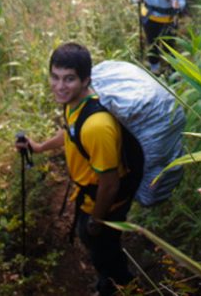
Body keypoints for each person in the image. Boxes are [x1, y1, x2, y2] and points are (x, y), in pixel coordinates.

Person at [16, 43, 136, 296]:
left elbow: (110, 183)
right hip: (90, 198)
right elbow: (70, 132)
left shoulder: (97, 126)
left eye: (69, 79)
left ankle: (119, 287)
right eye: (55, 77)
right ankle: (111, 281)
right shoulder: (77, 104)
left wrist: (97, 220)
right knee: (102, 250)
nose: (59, 86)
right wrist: (38, 148)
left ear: (85, 80)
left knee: (104, 251)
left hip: (101, 204)